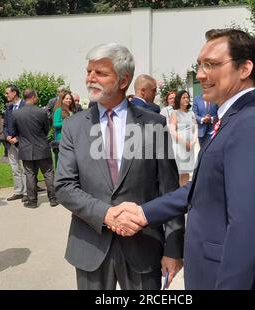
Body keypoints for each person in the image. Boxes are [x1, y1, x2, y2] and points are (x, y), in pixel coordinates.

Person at [109, 29, 255, 290]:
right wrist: (144, 212)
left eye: (211, 65)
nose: (201, 74)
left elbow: (248, 228)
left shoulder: (252, 125)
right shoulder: (233, 118)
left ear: (245, 68)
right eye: (200, 65)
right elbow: (202, 187)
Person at [54, 43, 185, 290]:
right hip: (90, 247)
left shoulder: (154, 125)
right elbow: (64, 186)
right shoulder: (74, 126)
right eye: (88, 71)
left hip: (144, 247)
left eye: (100, 73)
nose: (90, 79)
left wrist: (174, 248)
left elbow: (169, 192)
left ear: (124, 80)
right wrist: (106, 214)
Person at [12, 89, 58, 209]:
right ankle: (53, 198)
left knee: (30, 175)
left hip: (26, 147)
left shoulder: (16, 113)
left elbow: (14, 132)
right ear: (33, 97)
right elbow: (46, 129)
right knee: (48, 173)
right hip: (41, 146)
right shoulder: (41, 112)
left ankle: (32, 201)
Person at [3, 85, 27, 201]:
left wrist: (17, 138)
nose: (6, 95)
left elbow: (28, 126)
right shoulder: (8, 108)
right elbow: (5, 125)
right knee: (15, 168)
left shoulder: (25, 106)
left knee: (25, 168)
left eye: (7, 93)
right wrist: (7, 136)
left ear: (14, 93)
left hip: (22, 142)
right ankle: (19, 192)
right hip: (10, 143)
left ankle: (28, 192)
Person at [169, 90, 198, 186]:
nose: (186, 99)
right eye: (184, 97)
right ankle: (177, 192)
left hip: (189, 146)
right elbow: (172, 130)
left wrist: (193, 142)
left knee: (186, 171)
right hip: (179, 145)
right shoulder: (175, 113)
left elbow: (195, 129)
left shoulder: (191, 113)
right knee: (179, 171)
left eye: (188, 97)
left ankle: (183, 192)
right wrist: (184, 142)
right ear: (179, 99)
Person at [52, 90, 78, 166]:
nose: (68, 100)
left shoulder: (73, 111)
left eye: (70, 99)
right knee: (61, 161)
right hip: (61, 139)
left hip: (73, 139)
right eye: (66, 98)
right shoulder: (58, 111)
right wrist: (67, 122)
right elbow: (55, 124)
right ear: (62, 100)